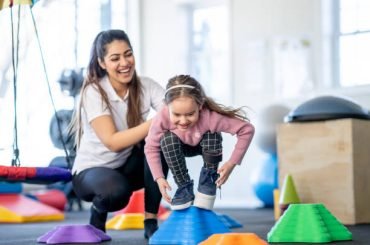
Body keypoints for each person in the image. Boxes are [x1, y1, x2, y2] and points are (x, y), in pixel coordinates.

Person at [70, 29, 168, 239]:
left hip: (124, 166)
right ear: (102, 63)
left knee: (163, 146)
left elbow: (173, 112)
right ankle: (98, 212)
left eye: (128, 54)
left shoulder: (146, 86)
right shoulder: (94, 91)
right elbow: (113, 142)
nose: (124, 62)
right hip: (91, 172)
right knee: (116, 193)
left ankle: (150, 221)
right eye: (115, 58)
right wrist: (158, 120)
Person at [144, 74, 255, 211]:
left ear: (200, 106)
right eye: (177, 115)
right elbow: (150, 147)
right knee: (167, 139)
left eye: (190, 114)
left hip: (205, 146)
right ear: (167, 107)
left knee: (212, 134)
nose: (183, 121)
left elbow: (246, 129)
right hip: (176, 147)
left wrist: (231, 163)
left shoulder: (210, 117)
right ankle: (184, 186)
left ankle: (208, 182)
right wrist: (159, 178)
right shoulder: (162, 117)